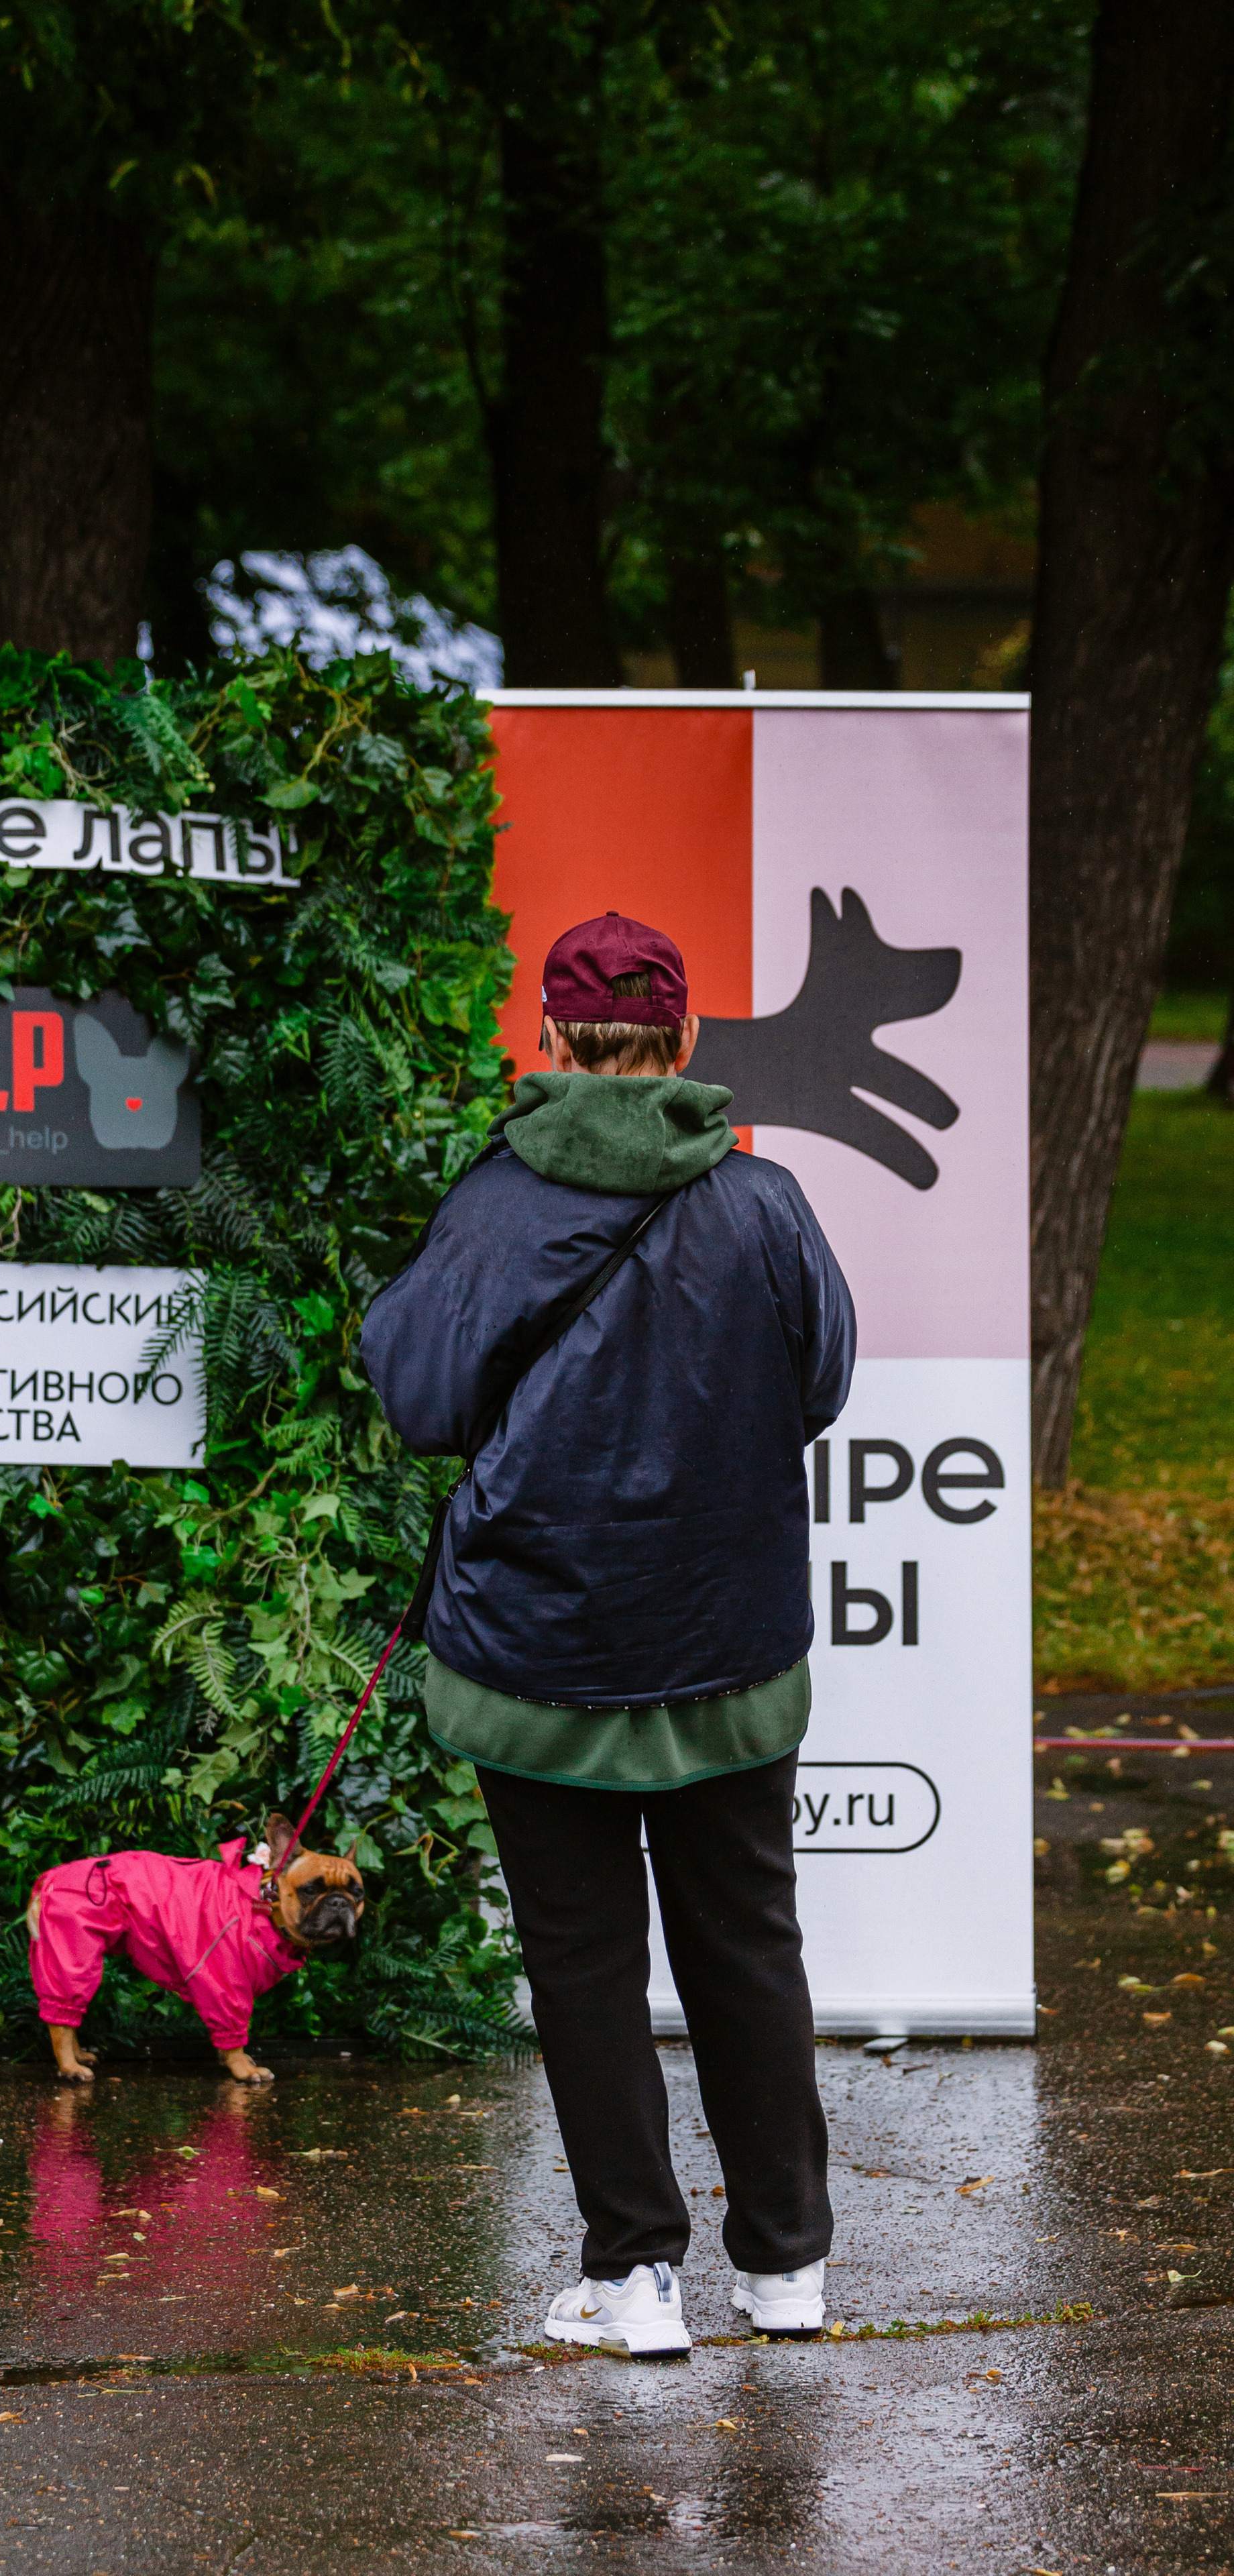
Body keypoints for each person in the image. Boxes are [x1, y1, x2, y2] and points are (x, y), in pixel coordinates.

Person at [361, 910, 855, 2356]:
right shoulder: (764, 1204)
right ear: (683, 1037)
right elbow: (821, 1380)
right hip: (727, 1642)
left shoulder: (492, 1207)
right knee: (748, 1946)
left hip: (537, 1652)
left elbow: (418, 1400)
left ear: (549, 1038)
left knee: (583, 1964)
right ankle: (787, 2271)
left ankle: (634, 2281)